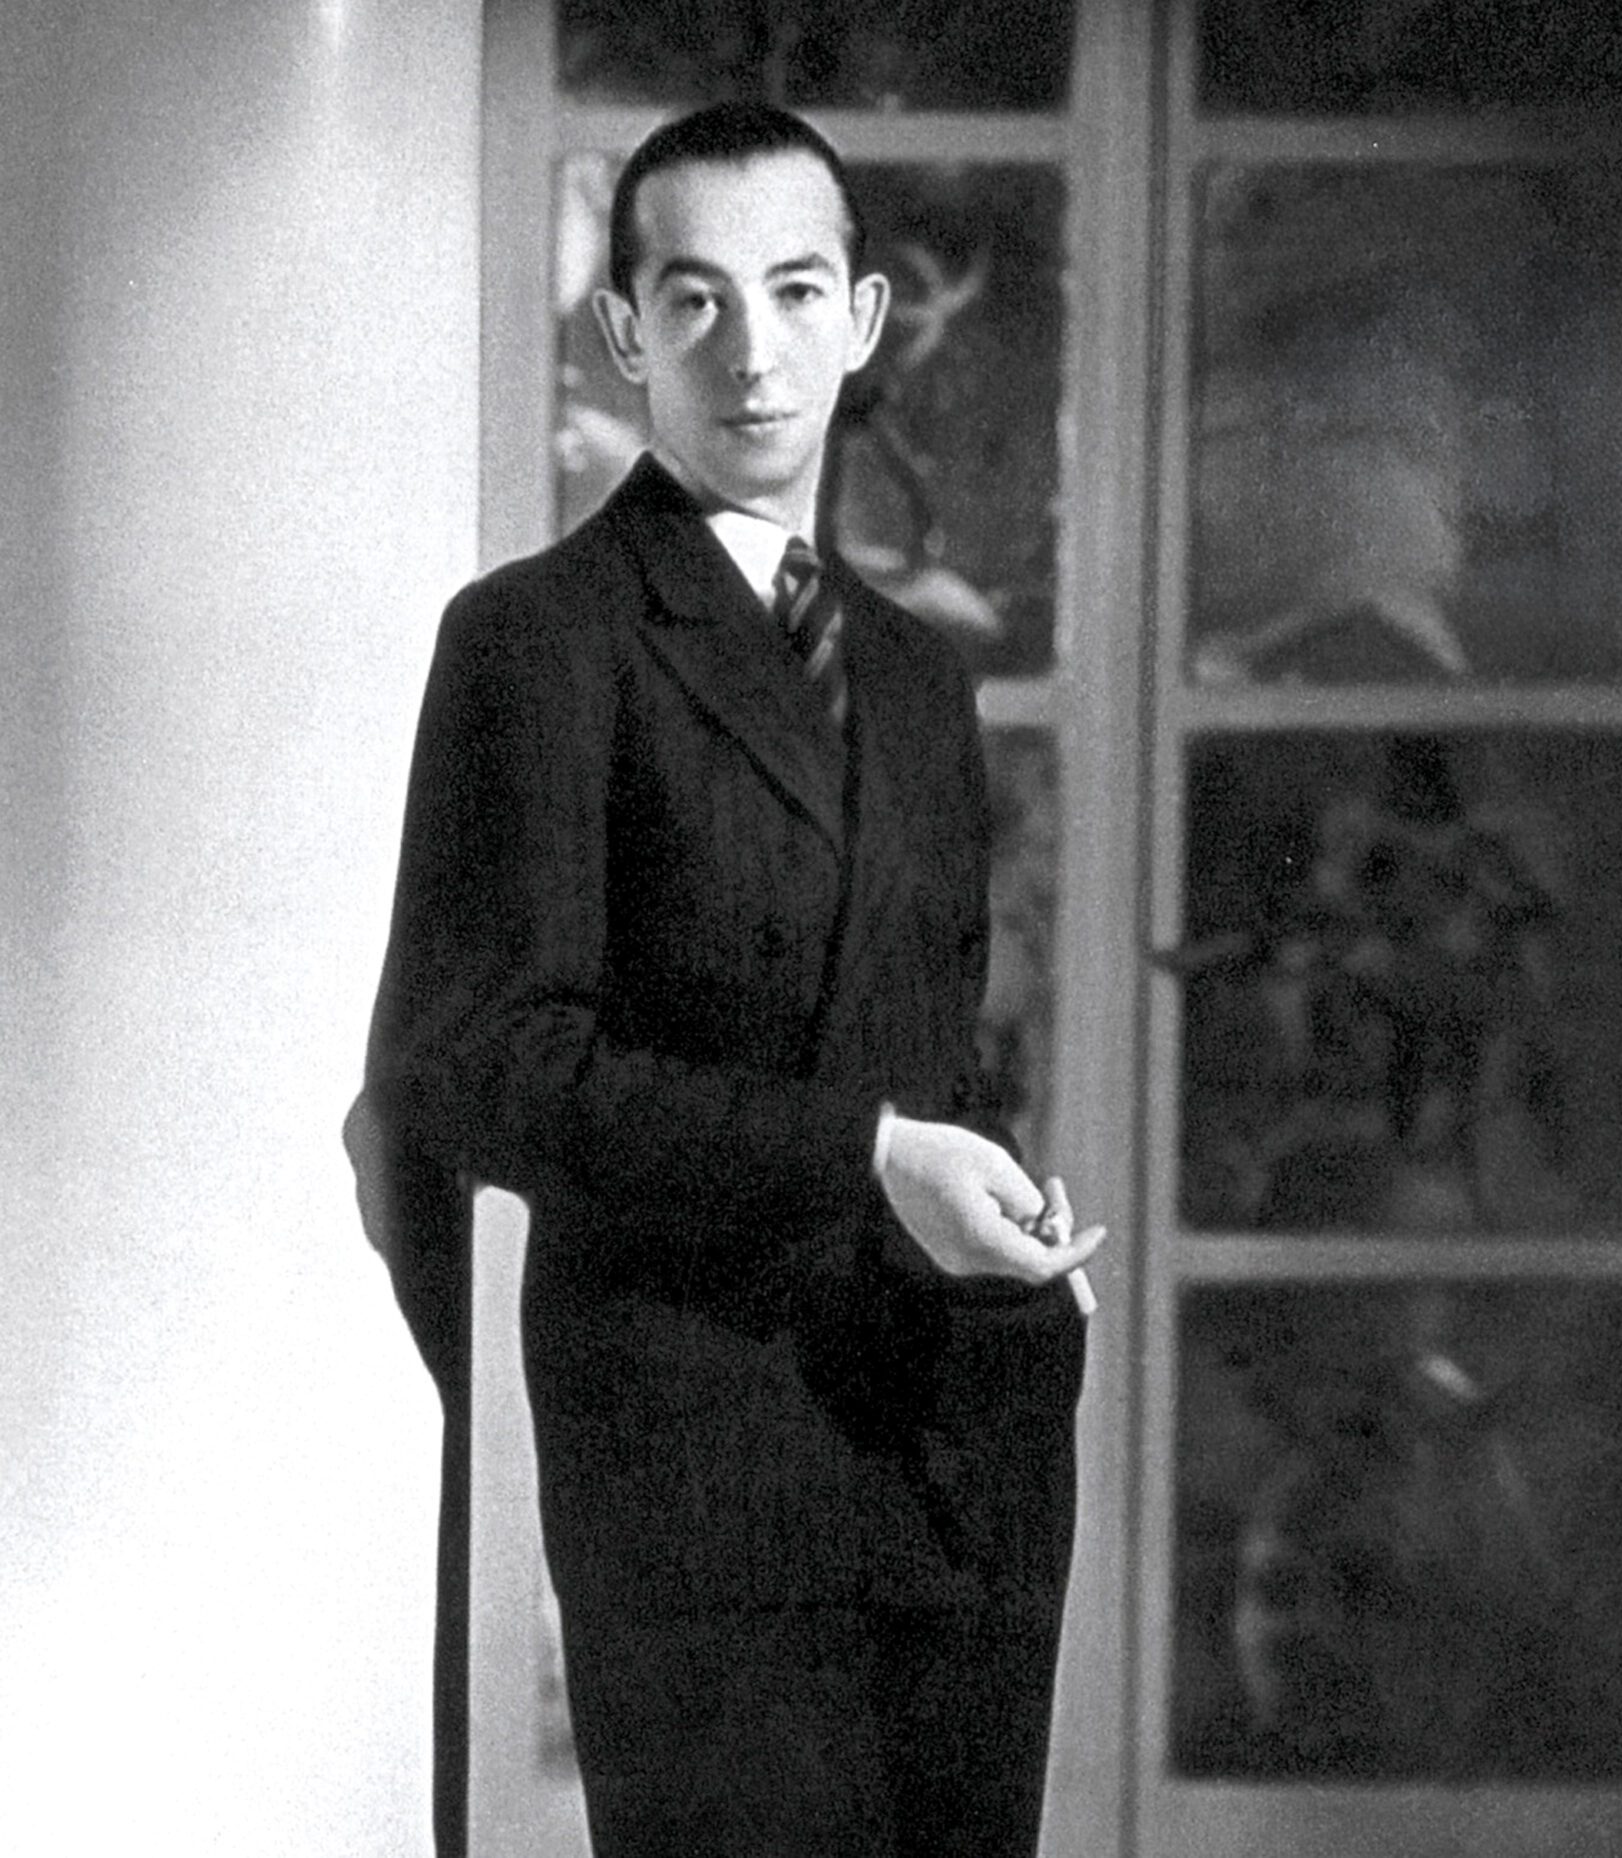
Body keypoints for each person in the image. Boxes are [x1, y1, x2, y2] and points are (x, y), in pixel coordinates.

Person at [347, 100, 1105, 1858]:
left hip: (951, 1431)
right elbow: (473, 1059)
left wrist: (995, 1215)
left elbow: (931, 1057)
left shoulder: (917, 677)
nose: (750, 352)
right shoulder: (537, 636)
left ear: (862, 315)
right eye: (693, 300)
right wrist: (866, 1156)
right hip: (696, 1461)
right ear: (624, 333)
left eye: (793, 291)